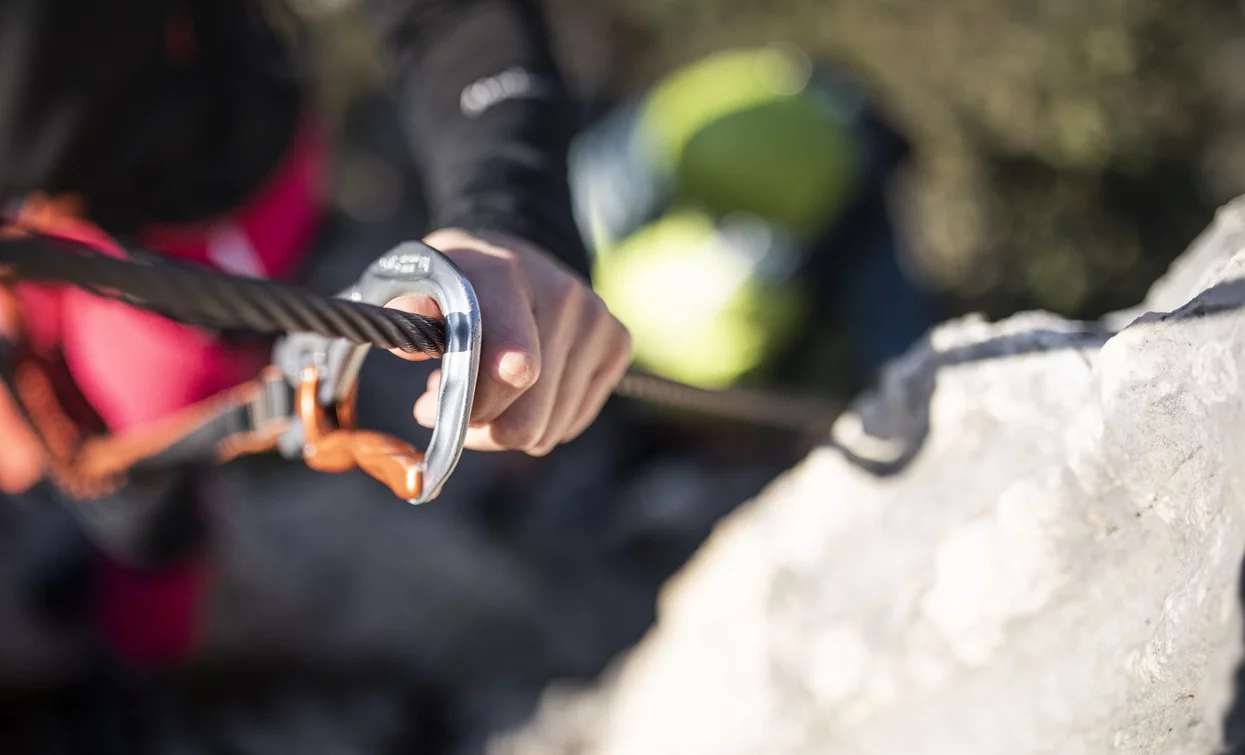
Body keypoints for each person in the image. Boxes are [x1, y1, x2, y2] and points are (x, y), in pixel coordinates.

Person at [0, 0, 630, 685]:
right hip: (43, 226)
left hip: (192, 192)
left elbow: (450, 12)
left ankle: (144, 650)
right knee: (38, 442)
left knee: (141, 477)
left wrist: (513, 216)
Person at [569, 45, 938, 397]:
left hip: (650, 323)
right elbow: (894, 332)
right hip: (680, 346)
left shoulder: (749, 85)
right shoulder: (856, 203)